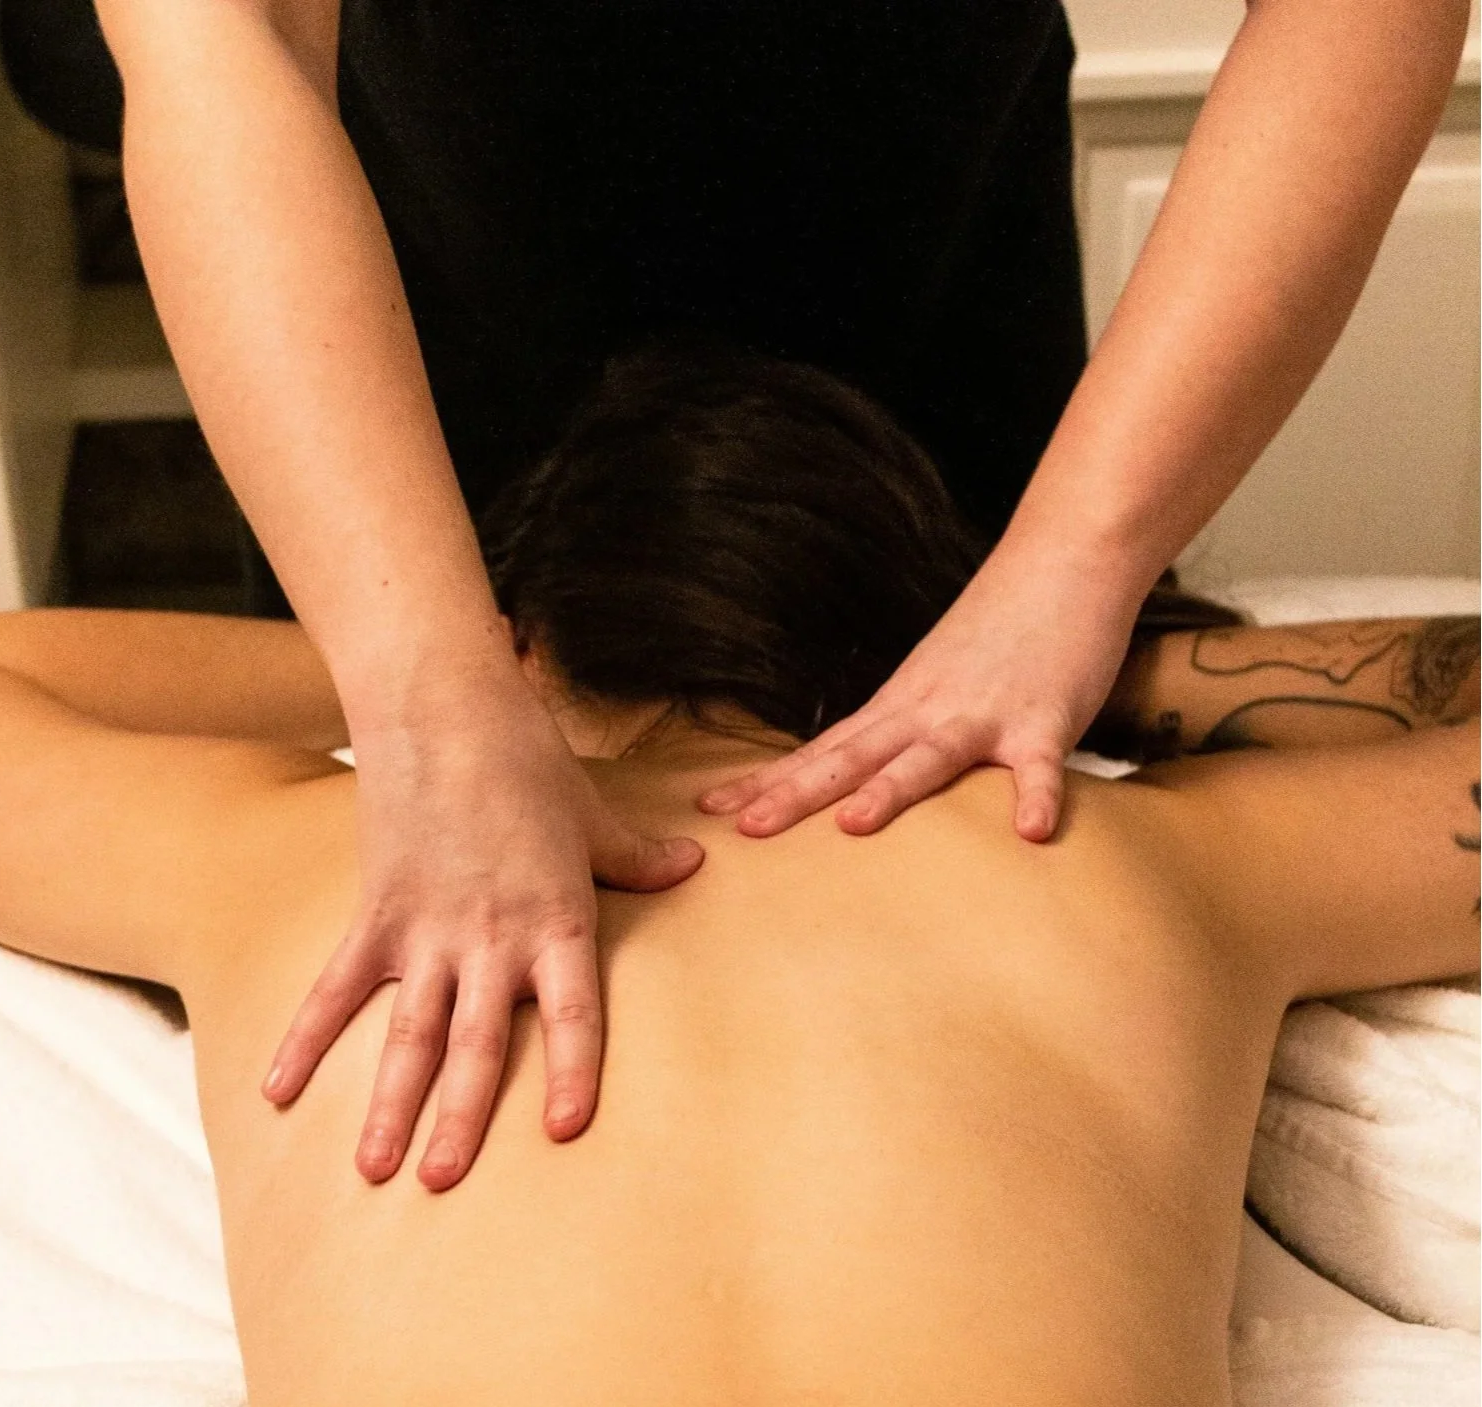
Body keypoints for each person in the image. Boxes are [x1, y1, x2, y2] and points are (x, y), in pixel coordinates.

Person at [0, 352, 1474, 1407]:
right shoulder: (1134, 864)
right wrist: (1114, 651)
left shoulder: (304, 859)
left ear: (536, 639)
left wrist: (448, 672)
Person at [88, 0, 1473, 1168]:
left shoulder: (1145, 877)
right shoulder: (1163, 880)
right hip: (410, 344)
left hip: (933, 311)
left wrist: (1079, 574)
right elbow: (220, 38)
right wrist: (420, 695)